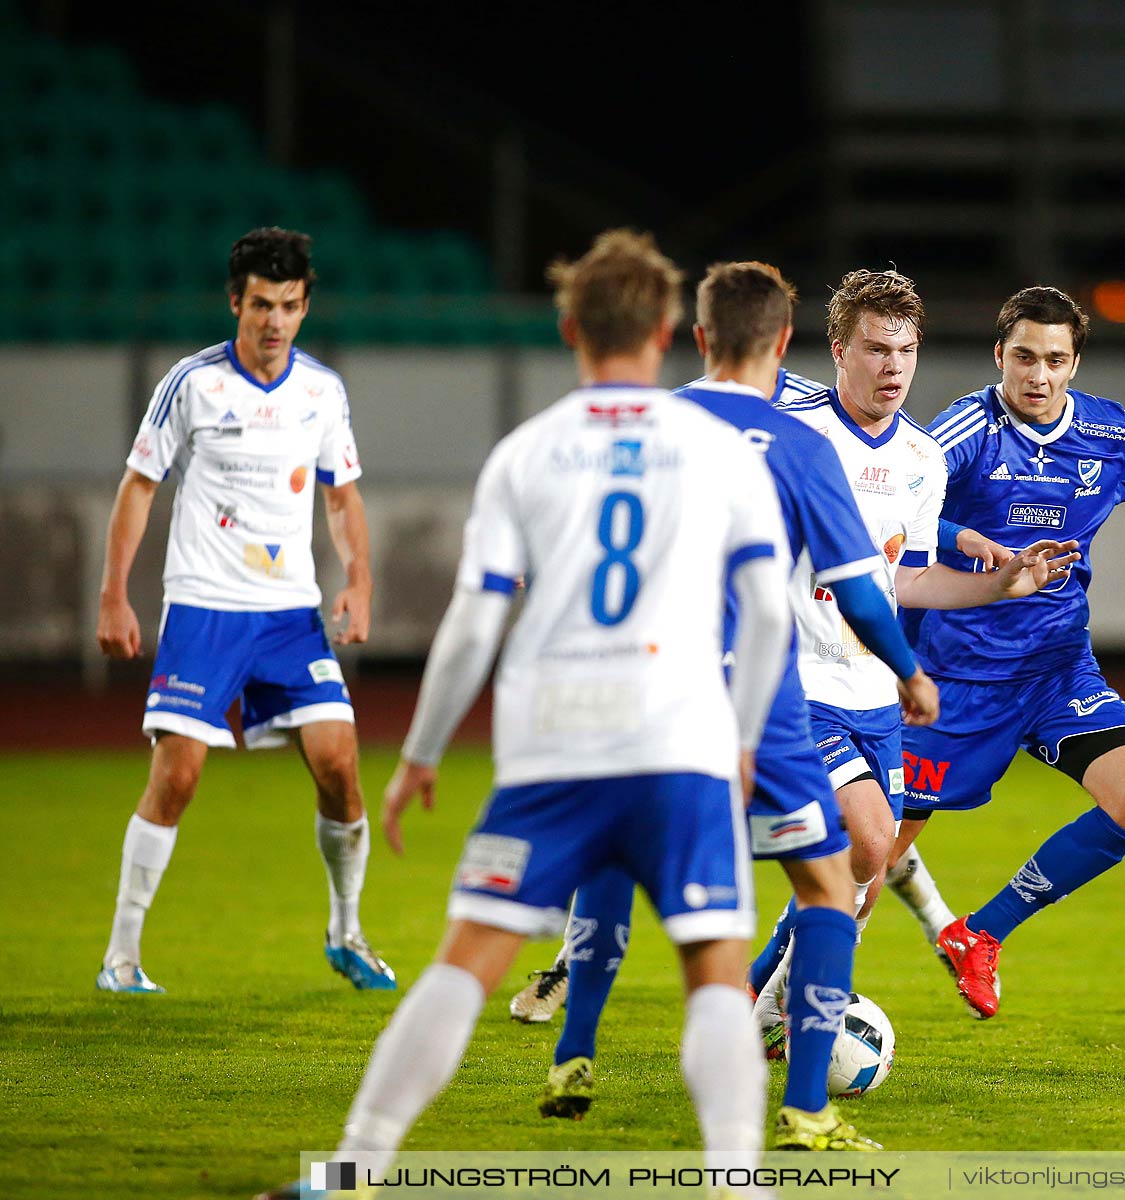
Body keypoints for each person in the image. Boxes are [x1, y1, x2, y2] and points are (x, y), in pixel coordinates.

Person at [258, 230, 792, 1200]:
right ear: (670, 330)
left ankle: (352, 1171)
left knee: (465, 965)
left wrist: (420, 753)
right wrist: (746, 738)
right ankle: (732, 1182)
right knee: (716, 968)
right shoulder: (720, 452)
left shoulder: (525, 454)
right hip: (682, 743)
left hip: (555, 751)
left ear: (567, 329)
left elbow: (472, 624)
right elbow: (766, 610)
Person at [534, 260, 942, 1151]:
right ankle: (803, 1108)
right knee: (829, 881)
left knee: (614, 858)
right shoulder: (801, 443)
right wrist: (911, 670)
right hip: (764, 691)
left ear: (698, 338)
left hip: (641, 685)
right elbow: (863, 593)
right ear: (795, 346)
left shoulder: (655, 421)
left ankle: (574, 1046)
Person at [745, 272, 1080, 1025]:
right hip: (799, 677)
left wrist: (1002, 585)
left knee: (868, 868)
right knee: (866, 841)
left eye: (906, 350)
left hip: (874, 694)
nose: (893, 367)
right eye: (875, 349)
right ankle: (784, 1017)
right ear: (838, 350)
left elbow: (911, 580)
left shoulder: (923, 460)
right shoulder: (794, 433)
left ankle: (765, 1012)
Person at [883, 285, 1125, 1020]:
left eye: (1056, 360)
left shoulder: (1109, 433)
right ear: (1000, 354)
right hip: (955, 677)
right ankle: (767, 990)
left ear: (1074, 364)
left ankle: (980, 934)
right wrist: (968, 541)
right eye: (1025, 357)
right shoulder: (965, 432)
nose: (1038, 375)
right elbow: (892, 517)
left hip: (1057, 668)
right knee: (868, 860)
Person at [94, 226, 391, 995]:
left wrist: (358, 579)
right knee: (179, 776)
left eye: (289, 306)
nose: (274, 322)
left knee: (340, 766)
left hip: (290, 614)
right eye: (261, 304)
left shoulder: (322, 391)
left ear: (304, 306)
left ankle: (348, 931)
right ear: (235, 301)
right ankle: (121, 958)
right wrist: (113, 592)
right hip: (205, 607)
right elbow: (139, 486)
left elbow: (342, 495)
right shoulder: (192, 383)